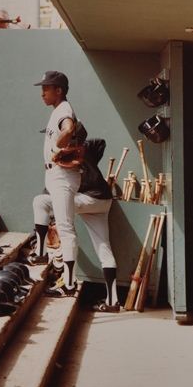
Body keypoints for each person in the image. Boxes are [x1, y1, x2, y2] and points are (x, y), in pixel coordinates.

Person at [32, 138, 121, 310]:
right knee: (104, 248)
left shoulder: (60, 157)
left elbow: (56, 190)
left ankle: (44, 256)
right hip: (103, 200)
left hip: (87, 198)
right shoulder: (84, 149)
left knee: (40, 202)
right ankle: (112, 302)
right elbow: (101, 142)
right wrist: (86, 152)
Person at [34, 71, 82, 297]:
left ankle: (69, 285)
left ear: (59, 90)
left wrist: (58, 144)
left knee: (65, 229)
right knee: (40, 203)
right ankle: (41, 253)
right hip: (55, 175)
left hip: (62, 175)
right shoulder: (57, 110)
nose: (43, 92)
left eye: (47, 87)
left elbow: (69, 129)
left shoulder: (64, 109)